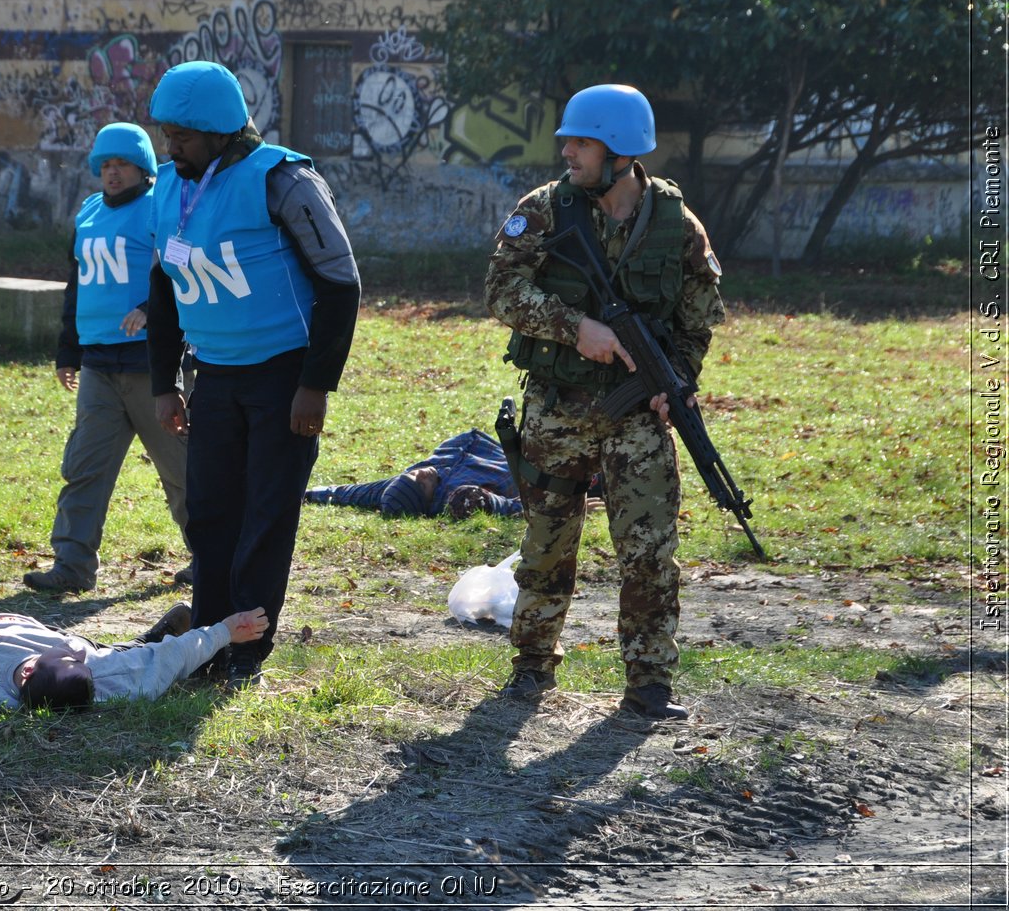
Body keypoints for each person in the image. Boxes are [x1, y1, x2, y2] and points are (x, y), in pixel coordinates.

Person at [483, 84, 725, 722]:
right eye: (568, 140)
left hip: (638, 413)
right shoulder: (543, 211)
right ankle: (531, 668)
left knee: (648, 549)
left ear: (619, 152)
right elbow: (502, 290)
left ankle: (649, 684)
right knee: (547, 542)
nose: (567, 151)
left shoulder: (676, 223)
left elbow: (700, 315)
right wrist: (577, 329)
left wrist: (678, 381)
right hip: (557, 406)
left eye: (581, 142)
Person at [146, 60, 360, 689]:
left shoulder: (283, 181)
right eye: (165, 133)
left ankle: (249, 651)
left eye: (181, 136)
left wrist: (315, 385)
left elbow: (340, 284)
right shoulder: (169, 185)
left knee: (266, 517)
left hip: (282, 380)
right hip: (212, 375)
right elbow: (162, 290)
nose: (170, 147)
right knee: (211, 513)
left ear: (217, 131)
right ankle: (210, 640)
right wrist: (165, 384)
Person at [25, 123, 192, 594]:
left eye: (121, 165)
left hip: (151, 365)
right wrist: (67, 352)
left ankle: (211, 558)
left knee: (182, 470)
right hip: (98, 365)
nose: (112, 173)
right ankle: (72, 566)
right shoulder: (89, 213)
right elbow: (76, 286)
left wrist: (149, 310)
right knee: (84, 467)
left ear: (142, 168)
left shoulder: (159, 210)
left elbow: (180, 272)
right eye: (105, 165)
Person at [0, 602, 269, 710]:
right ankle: (143, 639)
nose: (69, 651)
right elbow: (168, 662)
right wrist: (225, 631)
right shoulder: (101, 680)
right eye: (68, 655)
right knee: (121, 655)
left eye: (66, 655)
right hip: (16, 627)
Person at [305, 429, 524, 520]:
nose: (418, 472)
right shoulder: (458, 499)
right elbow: (516, 508)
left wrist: (304, 494)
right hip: (523, 458)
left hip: (483, 442)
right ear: (424, 498)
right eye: (420, 481)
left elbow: (353, 493)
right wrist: (488, 502)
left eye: (411, 473)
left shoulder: (401, 487)